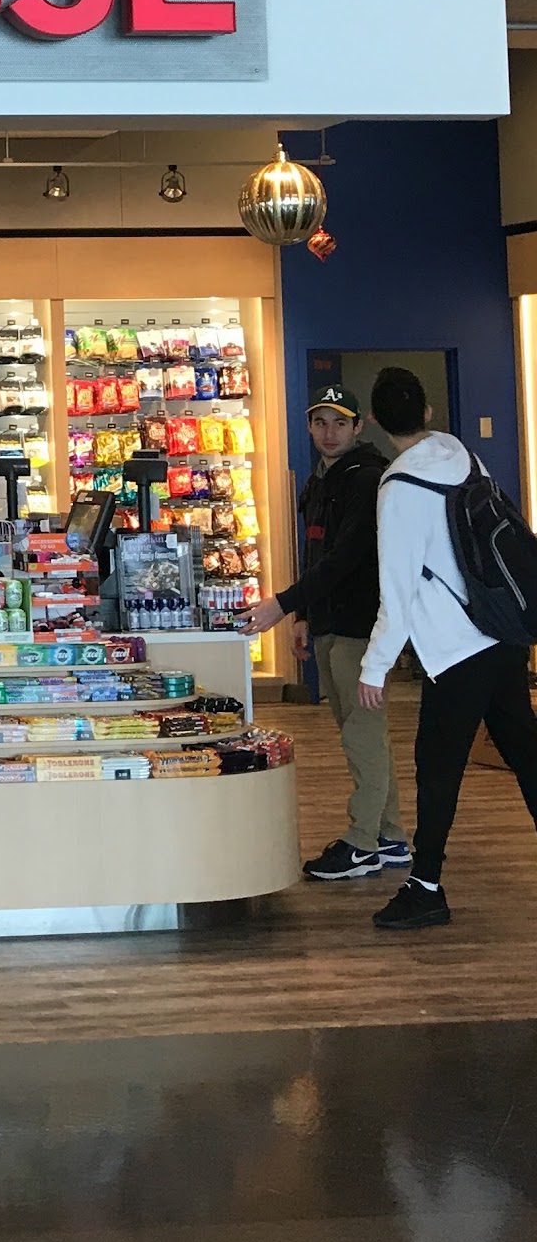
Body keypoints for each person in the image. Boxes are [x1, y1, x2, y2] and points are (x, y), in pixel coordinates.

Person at [356, 366, 537, 931]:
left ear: (376, 421)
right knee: (526, 754)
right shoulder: (462, 456)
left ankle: (425, 888)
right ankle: (424, 885)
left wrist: (375, 666)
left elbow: (398, 590)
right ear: (428, 412)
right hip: (502, 633)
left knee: (437, 770)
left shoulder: (399, 487)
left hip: (456, 653)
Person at [242, 387, 403, 880]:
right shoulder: (319, 481)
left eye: (339, 423)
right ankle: (391, 836)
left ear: (358, 427)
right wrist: (305, 616)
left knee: (362, 734)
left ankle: (362, 842)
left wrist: (283, 604)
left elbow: (346, 557)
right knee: (360, 732)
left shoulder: (367, 479)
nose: (328, 433)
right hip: (330, 623)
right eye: (320, 423)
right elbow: (315, 553)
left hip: (360, 627)